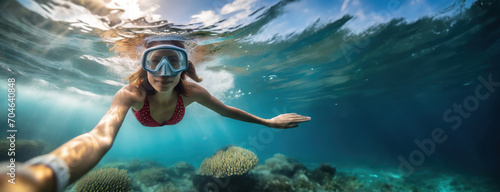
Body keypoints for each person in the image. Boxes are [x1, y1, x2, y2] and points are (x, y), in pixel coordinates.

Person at [0, 37, 311, 192]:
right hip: (145, 114)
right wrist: (44, 172)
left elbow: (227, 110)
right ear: (143, 64)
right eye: (155, 62)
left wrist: (268, 122)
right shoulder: (131, 94)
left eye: (173, 62)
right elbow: (100, 137)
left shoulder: (191, 92)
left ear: (185, 67)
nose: (164, 72)